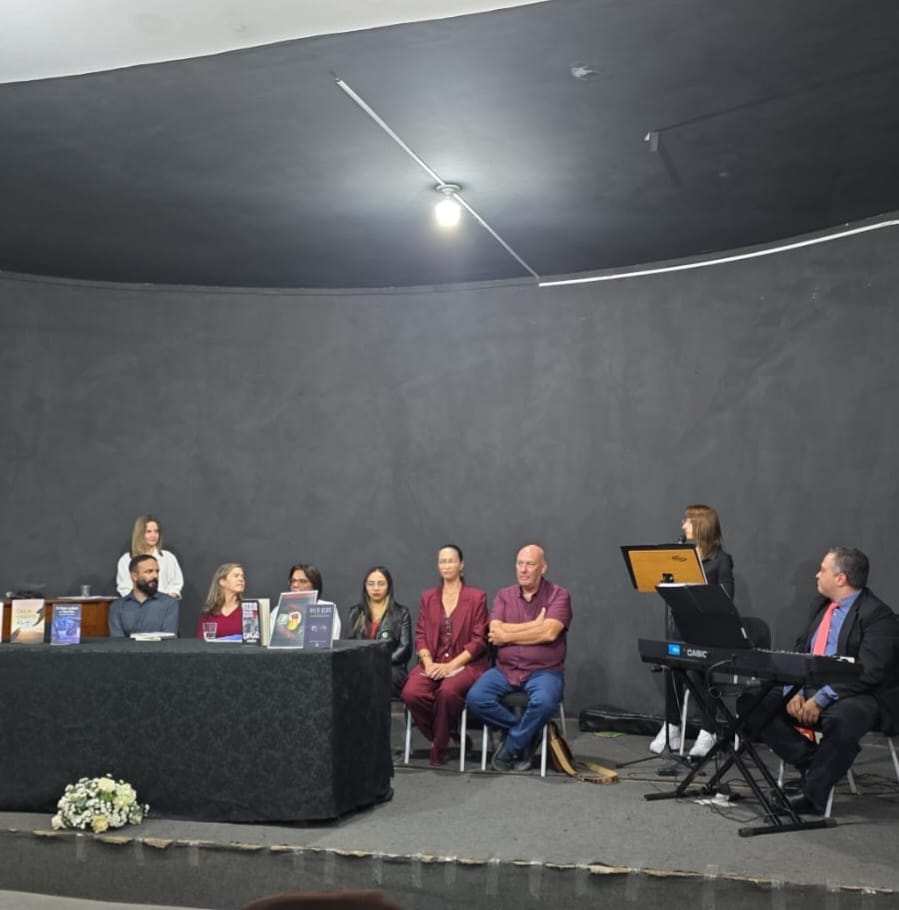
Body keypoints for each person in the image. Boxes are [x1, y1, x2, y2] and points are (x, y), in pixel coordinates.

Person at [738, 547, 899, 815]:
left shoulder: (878, 616)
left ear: (841, 578)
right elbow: (801, 651)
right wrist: (793, 689)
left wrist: (822, 698)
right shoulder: (820, 607)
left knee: (845, 719)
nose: (817, 574)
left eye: (822, 569)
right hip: (810, 685)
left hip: (855, 692)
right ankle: (814, 764)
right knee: (751, 702)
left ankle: (813, 796)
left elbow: (870, 672)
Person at [466, 544, 572, 772]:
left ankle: (512, 745)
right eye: (520, 564)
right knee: (475, 698)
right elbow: (495, 632)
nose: (523, 569)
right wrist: (534, 625)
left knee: (544, 702)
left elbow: (549, 633)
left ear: (543, 567)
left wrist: (509, 634)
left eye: (530, 564)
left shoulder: (559, 595)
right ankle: (527, 734)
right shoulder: (504, 595)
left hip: (544, 671)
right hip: (505, 669)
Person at [650, 503, 735, 759]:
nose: (683, 525)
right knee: (671, 666)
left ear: (701, 526)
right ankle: (673, 726)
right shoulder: (681, 557)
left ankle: (709, 730)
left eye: (687, 521)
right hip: (683, 629)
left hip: (709, 633)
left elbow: (726, 598)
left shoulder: (720, 560)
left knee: (698, 672)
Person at [401, 545, 489, 765]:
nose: (446, 565)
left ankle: (439, 747)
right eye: (442, 561)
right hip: (433, 661)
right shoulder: (428, 597)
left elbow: (479, 641)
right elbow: (421, 635)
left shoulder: (477, 597)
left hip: (466, 664)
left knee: (447, 692)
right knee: (411, 693)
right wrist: (428, 662)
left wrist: (451, 667)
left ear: (461, 565)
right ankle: (450, 734)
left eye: (451, 561)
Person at [346, 566, 412, 698]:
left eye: (381, 584)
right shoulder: (355, 612)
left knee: (376, 677)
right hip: (361, 666)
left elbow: (405, 649)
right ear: (365, 586)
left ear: (389, 586)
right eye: (371, 584)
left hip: (391, 667)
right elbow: (349, 645)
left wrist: (380, 661)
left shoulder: (401, 613)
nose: (376, 588)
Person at [108, 554, 180, 637]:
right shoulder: (118, 607)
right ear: (134, 576)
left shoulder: (169, 604)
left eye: (157, 571)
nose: (155, 576)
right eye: (149, 571)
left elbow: (168, 639)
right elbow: (117, 641)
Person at [116, 514, 184, 599]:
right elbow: (124, 588)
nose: (153, 535)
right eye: (148, 532)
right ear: (139, 534)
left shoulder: (168, 557)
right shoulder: (126, 560)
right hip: (137, 605)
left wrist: (167, 599)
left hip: (164, 603)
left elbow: (176, 584)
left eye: (156, 531)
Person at [285, 562, 341, 638]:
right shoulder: (278, 611)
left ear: (314, 585)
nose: (295, 585)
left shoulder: (327, 609)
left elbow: (332, 640)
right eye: (293, 581)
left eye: (302, 581)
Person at [196, 563, 246, 639]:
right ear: (222, 581)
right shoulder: (209, 612)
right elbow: (202, 641)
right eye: (236, 576)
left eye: (242, 576)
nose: (241, 579)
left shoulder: (248, 610)